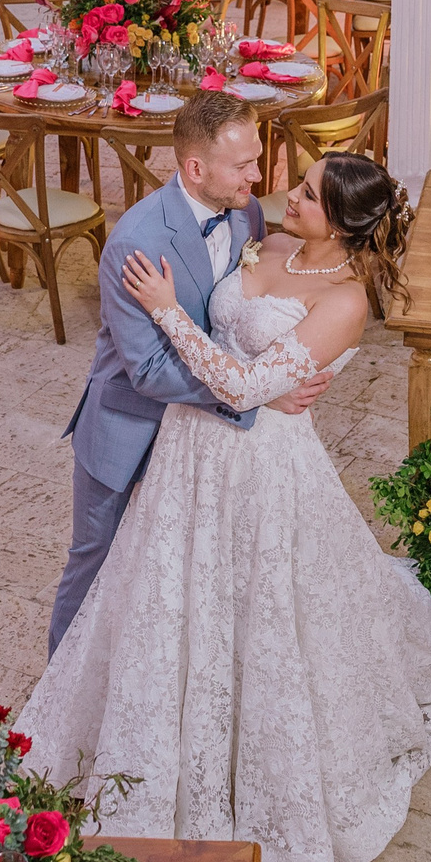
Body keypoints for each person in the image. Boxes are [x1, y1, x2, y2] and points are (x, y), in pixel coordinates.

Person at [19, 148, 431, 862]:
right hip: (187, 453)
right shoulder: (270, 234)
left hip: (260, 466)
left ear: (346, 225)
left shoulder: (347, 299)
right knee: (165, 599)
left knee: (258, 611)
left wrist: (168, 310)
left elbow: (248, 384)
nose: (290, 194)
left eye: (311, 195)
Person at [47, 93, 330, 657]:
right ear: (195, 168)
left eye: (257, 157)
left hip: (201, 441)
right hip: (131, 424)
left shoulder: (245, 210)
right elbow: (150, 371)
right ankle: (56, 691)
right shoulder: (137, 241)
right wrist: (256, 395)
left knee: (171, 571)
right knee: (96, 559)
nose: (259, 174)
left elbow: (239, 313)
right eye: (244, 164)